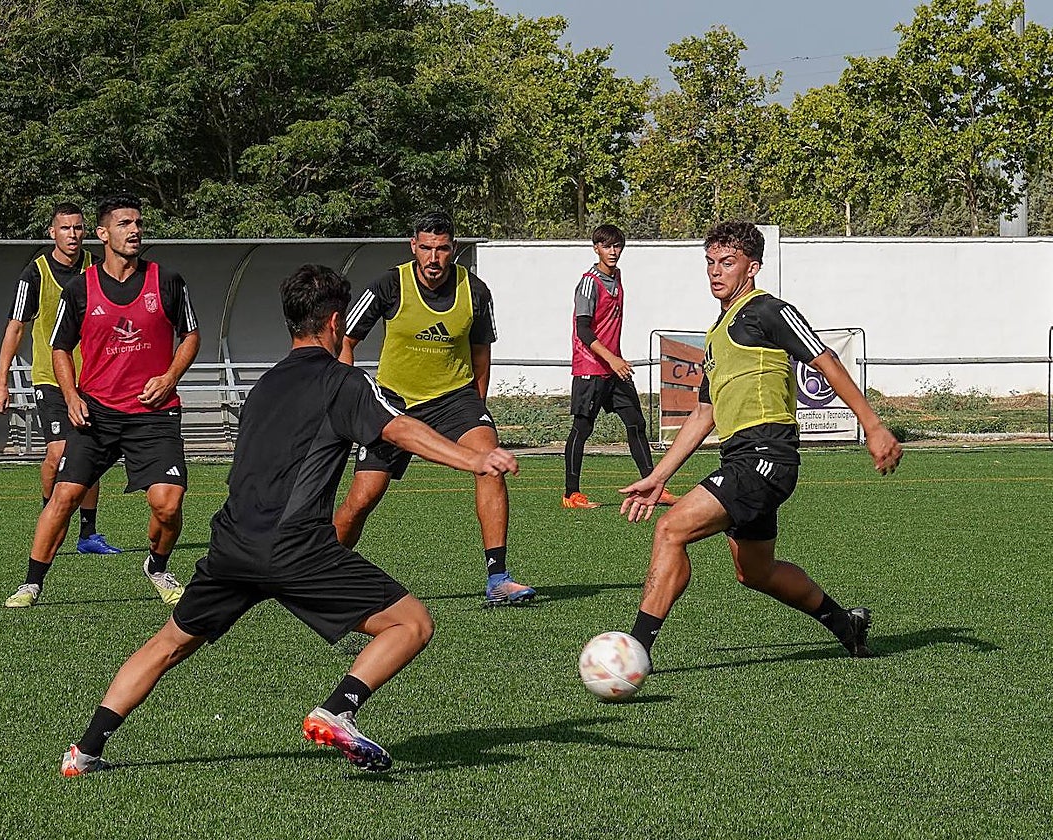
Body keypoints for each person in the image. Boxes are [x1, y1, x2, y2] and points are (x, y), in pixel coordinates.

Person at [59, 264, 519, 776]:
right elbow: (400, 428)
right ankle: (338, 710)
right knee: (411, 624)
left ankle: (84, 751)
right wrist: (474, 458)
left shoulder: (262, 386)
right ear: (337, 322)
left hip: (231, 545)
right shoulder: (343, 382)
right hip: (296, 546)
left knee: (168, 644)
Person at [619, 221, 902, 661]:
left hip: (766, 455)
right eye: (710, 263)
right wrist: (657, 476)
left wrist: (873, 424)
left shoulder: (767, 310)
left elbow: (823, 358)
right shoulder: (717, 334)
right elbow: (704, 414)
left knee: (671, 530)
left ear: (752, 268)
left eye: (727, 263)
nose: (716, 272)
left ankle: (634, 650)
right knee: (755, 571)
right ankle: (847, 624)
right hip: (741, 457)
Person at [3, 194, 200, 608]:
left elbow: (191, 336)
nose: (135, 230)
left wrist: (169, 378)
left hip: (154, 414)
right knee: (64, 494)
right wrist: (72, 396)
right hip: (98, 413)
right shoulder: (79, 289)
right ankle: (31, 583)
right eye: (125, 223)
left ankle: (158, 566)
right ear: (104, 233)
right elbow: (59, 348)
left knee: (168, 503)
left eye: (138, 223)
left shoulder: (168, 280)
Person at [333, 211, 534, 606]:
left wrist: (478, 407)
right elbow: (347, 340)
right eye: (425, 248)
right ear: (413, 247)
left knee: (489, 462)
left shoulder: (475, 291)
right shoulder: (388, 284)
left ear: (453, 249)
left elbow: (481, 355)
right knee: (361, 500)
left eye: (442, 249)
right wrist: (349, 400)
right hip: (393, 403)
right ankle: (319, 572)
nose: (433, 258)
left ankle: (498, 578)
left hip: (454, 400)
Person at [0, 203, 120, 555]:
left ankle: (88, 534)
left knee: (88, 455)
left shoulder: (99, 268)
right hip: (50, 378)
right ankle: (51, 514)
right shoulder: (35, 274)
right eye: (65, 229)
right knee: (59, 453)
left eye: (78, 228)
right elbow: (15, 327)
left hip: (92, 380)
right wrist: (1, 380)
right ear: (52, 233)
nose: (73, 235)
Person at [562, 223, 678, 510]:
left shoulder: (618, 276)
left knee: (636, 423)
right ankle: (571, 494)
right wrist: (611, 358)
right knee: (582, 428)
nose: (613, 252)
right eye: (607, 246)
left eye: (617, 246)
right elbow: (584, 331)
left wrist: (615, 361)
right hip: (591, 366)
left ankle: (653, 486)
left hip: (614, 369)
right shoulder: (589, 282)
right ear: (596, 248)